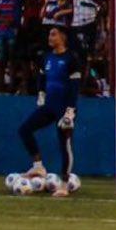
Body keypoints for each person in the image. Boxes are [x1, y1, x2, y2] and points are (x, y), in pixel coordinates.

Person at [17, 24, 80, 196]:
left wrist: (70, 111)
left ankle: (65, 184)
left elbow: (74, 87)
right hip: (49, 106)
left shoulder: (71, 59)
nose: (50, 38)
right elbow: (42, 78)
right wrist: (41, 94)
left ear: (63, 37)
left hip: (64, 108)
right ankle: (38, 166)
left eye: (53, 34)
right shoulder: (46, 57)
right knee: (24, 130)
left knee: (64, 145)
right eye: (49, 35)